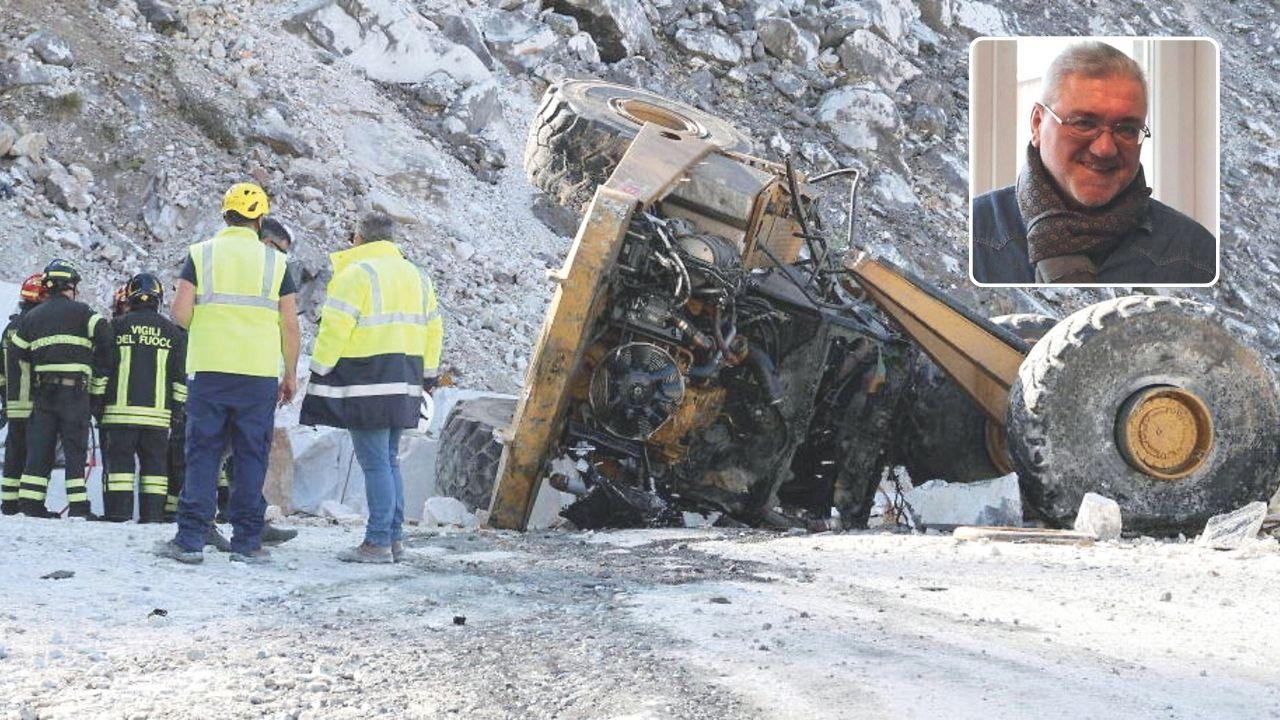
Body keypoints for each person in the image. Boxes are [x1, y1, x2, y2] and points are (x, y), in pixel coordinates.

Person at [971, 41, 1215, 284]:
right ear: (1037, 124)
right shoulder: (971, 234)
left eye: (1127, 129)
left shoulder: (1194, 255)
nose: (1105, 149)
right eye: (1084, 123)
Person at [155, 183, 300, 564]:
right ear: (260, 219)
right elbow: (289, 325)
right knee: (251, 456)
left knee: (203, 453)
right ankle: (248, 543)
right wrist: (290, 373)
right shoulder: (276, 263)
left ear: (225, 214)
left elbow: (180, 313)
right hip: (258, 374)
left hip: (210, 370)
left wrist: (210, 326)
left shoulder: (201, 254)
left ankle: (189, 540)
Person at [301, 213, 443, 563]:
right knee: (388, 461)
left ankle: (377, 542)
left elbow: (335, 328)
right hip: (405, 380)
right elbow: (434, 330)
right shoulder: (418, 276)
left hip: (367, 382)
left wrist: (319, 368)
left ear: (358, 238)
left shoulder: (356, 273)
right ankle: (393, 540)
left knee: (376, 463)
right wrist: (428, 376)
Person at [12, 259, 114, 518]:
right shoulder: (85, 313)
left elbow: (17, 351)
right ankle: (78, 507)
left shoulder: (32, 316)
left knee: (40, 450)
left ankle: (31, 505)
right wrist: (96, 389)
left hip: (44, 393)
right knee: (74, 450)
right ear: (70, 286)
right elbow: (108, 344)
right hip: (75, 394)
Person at [99, 273, 187, 523]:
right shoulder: (173, 332)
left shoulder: (114, 327)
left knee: (120, 469)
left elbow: (102, 369)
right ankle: (152, 517)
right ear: (159, 299)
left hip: (118, 416)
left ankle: (118, 515)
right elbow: (180, 379)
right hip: (157, 419)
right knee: (155, 470)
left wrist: (96, 402)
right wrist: (177, 412)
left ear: (130, 297)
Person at [1, 274, 47, 514]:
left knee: (14, 453)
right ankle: (31, 504)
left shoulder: (9, 329)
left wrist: (5, 401)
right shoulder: (38, 327)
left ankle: (9, 503)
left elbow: (1, 372)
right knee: (36, 455)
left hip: (14, 403)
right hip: (36, 403)